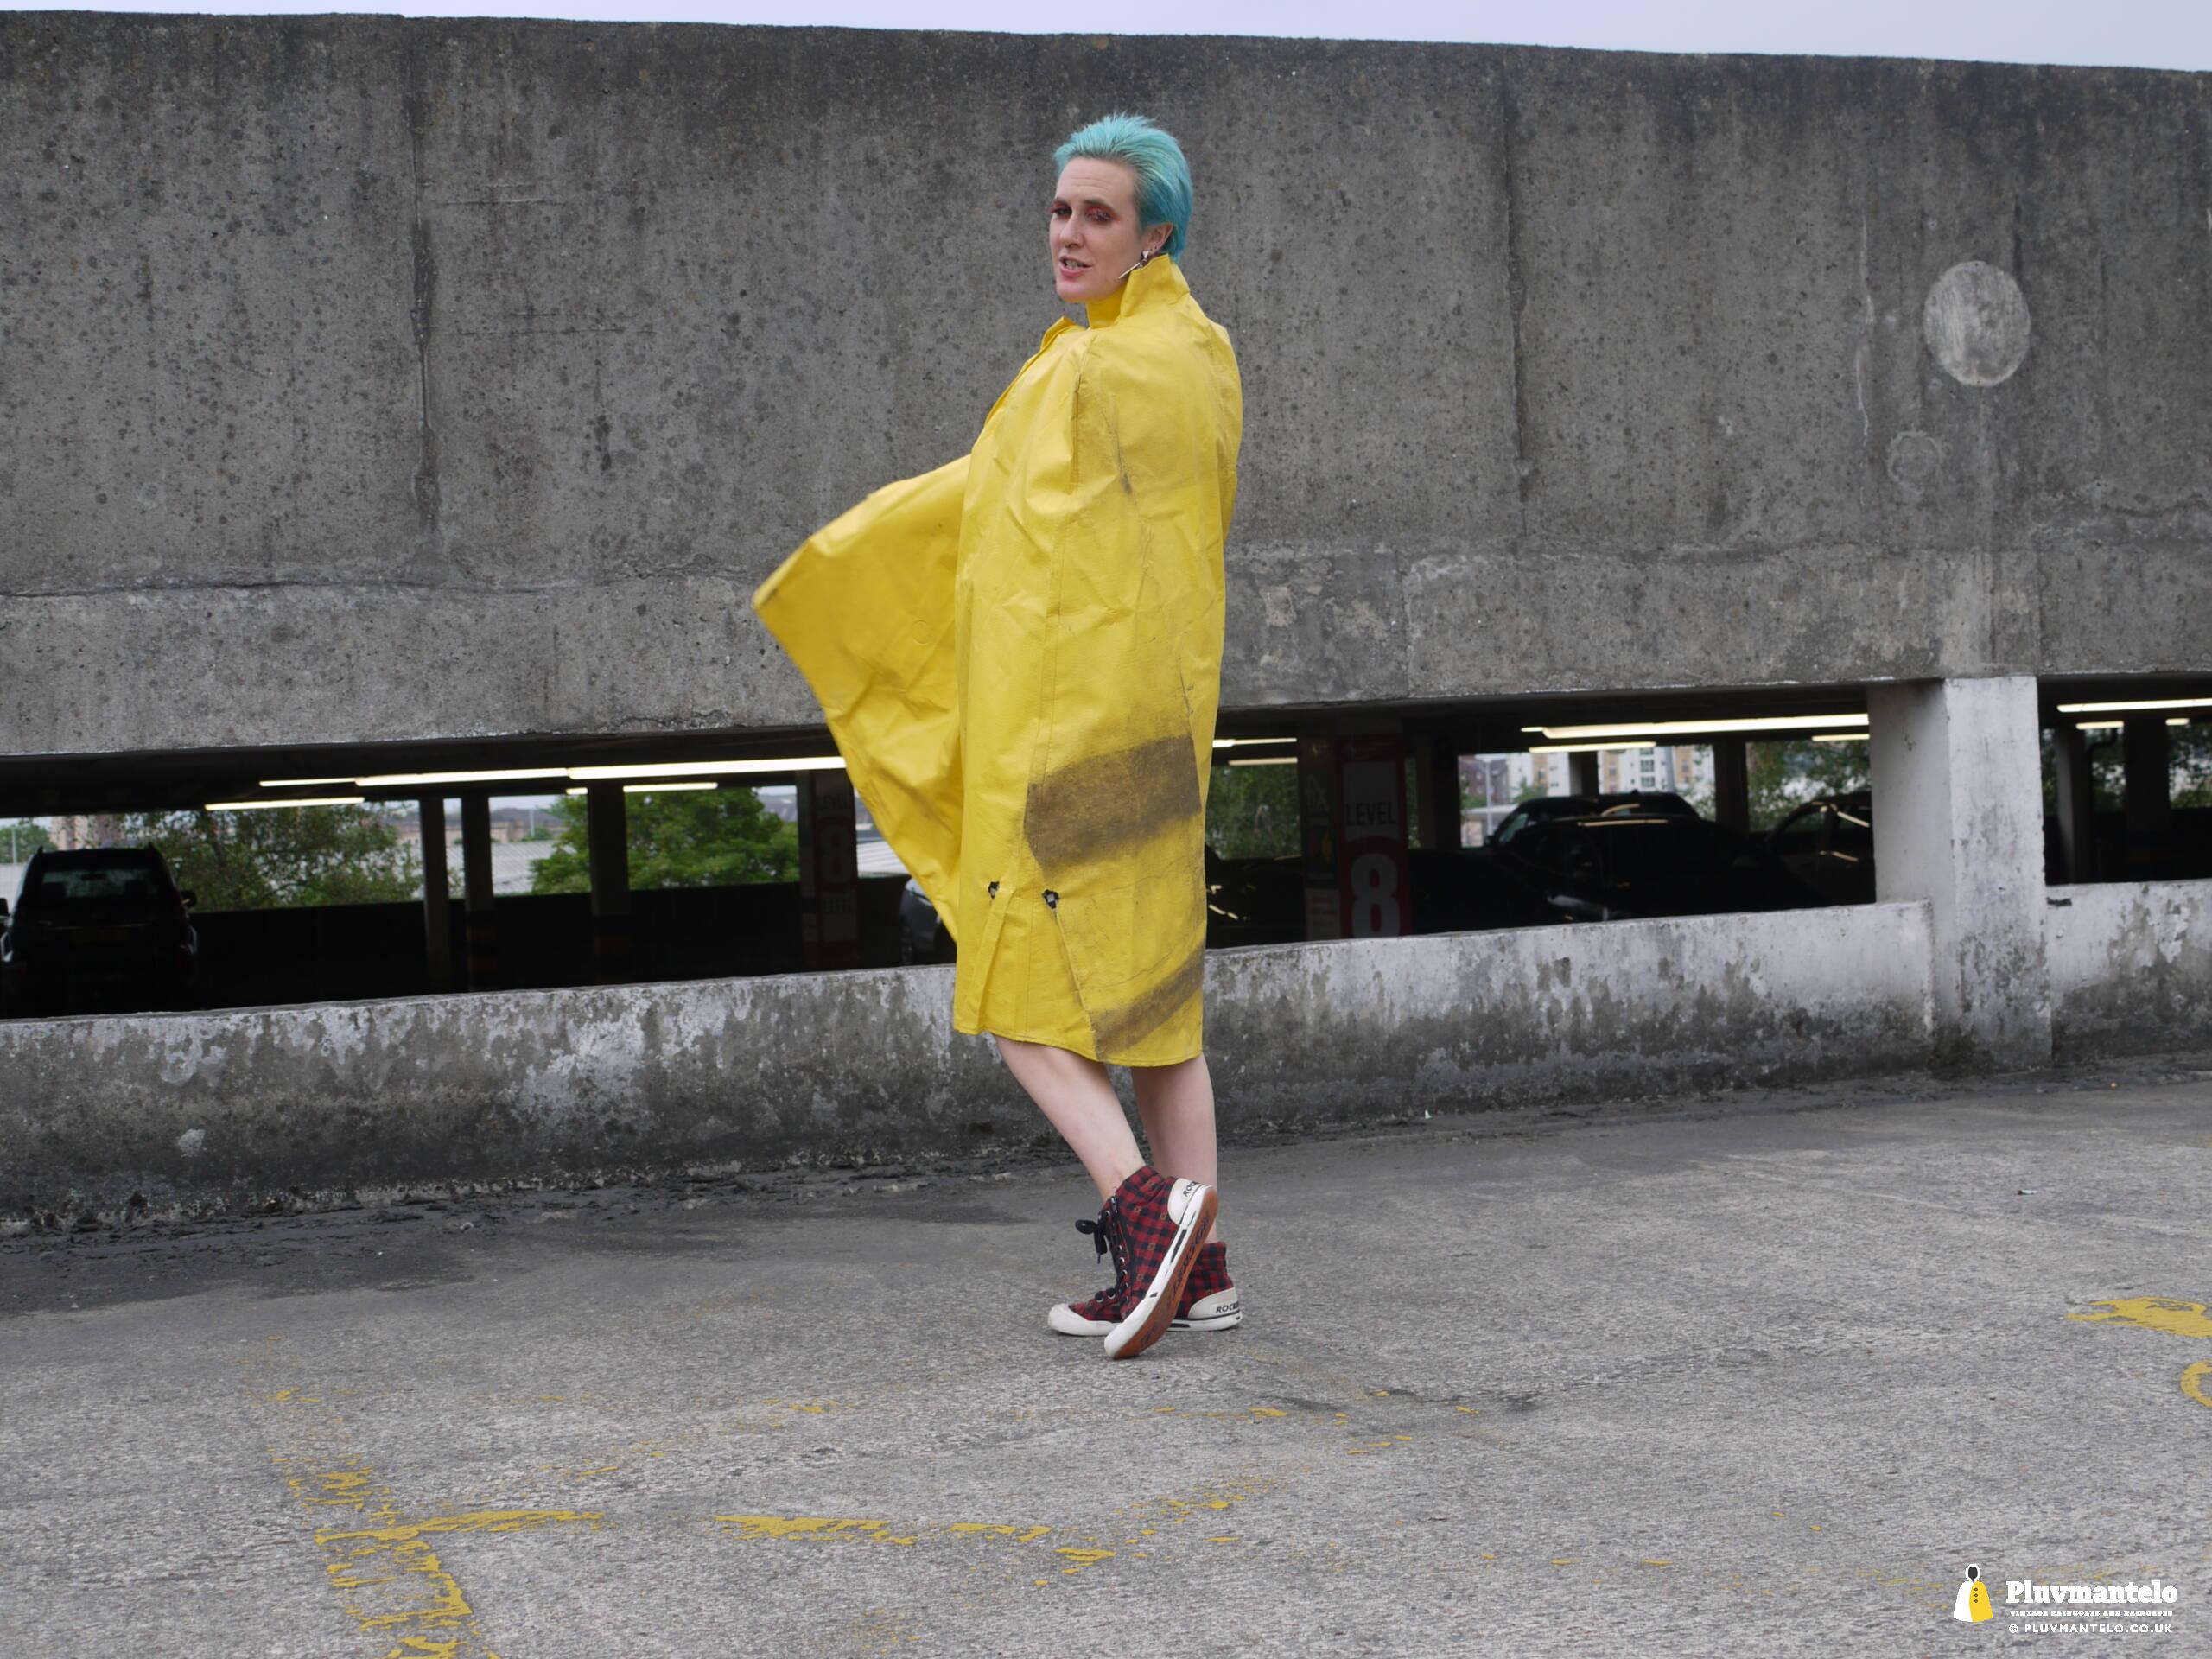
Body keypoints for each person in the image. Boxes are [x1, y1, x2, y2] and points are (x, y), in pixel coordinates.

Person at [752, 111, 1243, 1361]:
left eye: (1098, 215)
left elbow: (1003, 535)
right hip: (1164, 732)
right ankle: (1205, 1272)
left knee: (1013, 990)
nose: (1069, 234)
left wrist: (849, 561)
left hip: (1069, 733)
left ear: (1155, 233)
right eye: (1061, 210)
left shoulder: (1081, 372)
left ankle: (1147, 1214)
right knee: (1159, 1007)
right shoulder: (1201, 357)